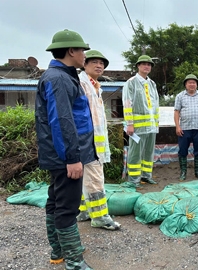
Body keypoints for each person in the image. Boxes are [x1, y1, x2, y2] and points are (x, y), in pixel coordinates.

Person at [35, 29, 93, 269]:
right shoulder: (59, 79)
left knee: (55, 201)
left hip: (56, 154)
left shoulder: (59, 76)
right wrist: (72, 158)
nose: (84, 55)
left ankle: (58, 252)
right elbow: (62, 120)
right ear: (71, 51)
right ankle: (75, 262)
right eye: (82, 50)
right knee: (68, 207)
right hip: (65, 156)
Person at [76, 50, 121, 230]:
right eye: (94, 62)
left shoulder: (95, 86)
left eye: (102, 63)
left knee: (86, 178)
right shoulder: (82, 84)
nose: (99, 65)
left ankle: (84, 211)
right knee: (95, 179)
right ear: (84, 64)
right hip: (89, 141)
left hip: (93, 141)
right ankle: (100, 216)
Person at [122, 55, 160, 187]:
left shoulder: (152, 83)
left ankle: (146, 176)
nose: (146, 66)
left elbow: (155, 104)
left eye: (149, 64)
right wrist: (129, 124)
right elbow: (127, 104)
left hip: (151, 126)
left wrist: (156, 123)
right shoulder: (131, 82)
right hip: (137, 127)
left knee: (149, 152)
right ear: (138, 66)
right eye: (143, 64)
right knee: (135, 153)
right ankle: (134, 179)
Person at [174, 74, 198, 181]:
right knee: (182, 150)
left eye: (194, 82)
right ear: (185, 84)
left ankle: (197, 171)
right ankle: (183, 172)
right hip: (184, 128)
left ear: (196, 85)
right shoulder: (180, 96)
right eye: (189, 82)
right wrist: (177, 126)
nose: (192, 84)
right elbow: (176, 112)